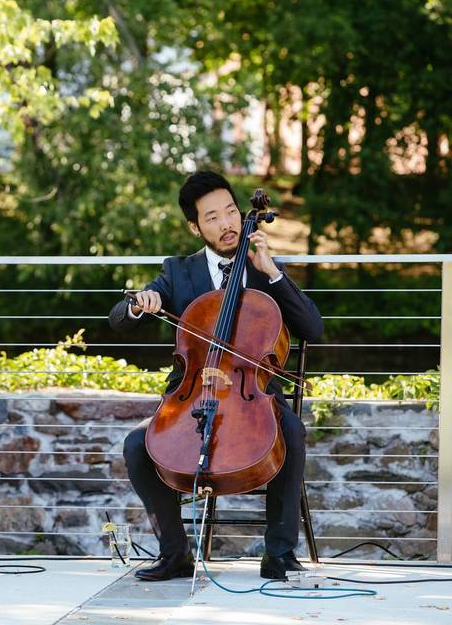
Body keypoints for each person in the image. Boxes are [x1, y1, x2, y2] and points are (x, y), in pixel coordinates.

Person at [108, 171, 323, 581]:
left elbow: (312, 328)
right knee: (137, 445)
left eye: (231, 212)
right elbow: (119, 320)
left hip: (253, 397)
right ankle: (175, 554)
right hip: (192, 397)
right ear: (194, 226)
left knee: (291, 431)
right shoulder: (178, 272)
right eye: (212, 217)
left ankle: (279, 554)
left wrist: (274, 274)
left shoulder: (263, 268)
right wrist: (139, 304)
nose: (226, 224)